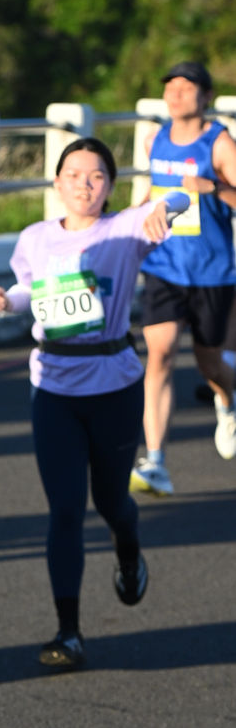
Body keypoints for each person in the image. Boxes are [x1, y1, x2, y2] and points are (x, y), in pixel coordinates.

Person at [0, 137, 183, 670]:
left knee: (112, 502)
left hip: (114, 383)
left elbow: (178, 200)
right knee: (66, 510)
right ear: (57, 182)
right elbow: (28, 289)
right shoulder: (36, 237)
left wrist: (165, 206)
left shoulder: (126, 229)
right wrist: (4, 300)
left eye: (96, 176)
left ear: (110, 185)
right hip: (54, 386)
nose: (84, 185)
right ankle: (68, 632)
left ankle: (128, 550)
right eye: (73, 175)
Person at [130, 61, 236, 497]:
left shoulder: (220, 143)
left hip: (211, 272)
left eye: (185, 87)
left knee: (210, 364)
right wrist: (127, 225)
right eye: (169, 87)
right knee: (160, 354)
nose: (175, 94)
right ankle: (155, 462)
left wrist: (215, 189)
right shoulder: (155, 139)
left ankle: (227, 400)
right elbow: (153, 193)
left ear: (206, 96)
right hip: (163, 267)